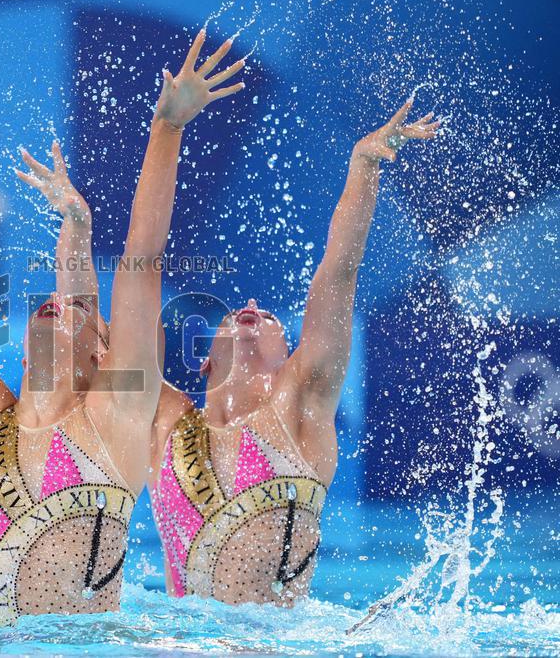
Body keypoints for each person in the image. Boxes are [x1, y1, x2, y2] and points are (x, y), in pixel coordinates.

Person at [0, 30, 245, 624]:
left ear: (102, 362)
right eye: (60, 301)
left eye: (78, 313)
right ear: (20, 354)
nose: (59, 303)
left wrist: (166, 129)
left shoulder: (116, 415)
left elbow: (142, 257)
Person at [150, 99, 441, 605]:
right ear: (203, 360)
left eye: (271, 318)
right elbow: (142, 263)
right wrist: (166, 129)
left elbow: (339, 271)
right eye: (236, 313)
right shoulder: (165, 421)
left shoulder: (299, 404)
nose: (252, 306)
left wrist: (364, 165)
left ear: (292, 356)